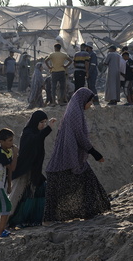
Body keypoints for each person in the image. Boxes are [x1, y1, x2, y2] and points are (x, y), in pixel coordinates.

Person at [43, 87, 110, 223]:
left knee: (87, 180)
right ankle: (87, 212)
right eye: (90, 101)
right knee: (84, 180)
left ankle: (89, 211)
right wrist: (94, 153)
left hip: (73, 155)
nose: (90, 104)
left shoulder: (76, 111)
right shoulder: (75, 113)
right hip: (69, 156)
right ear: (83, 100)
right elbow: (79, 135)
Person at [7, 111, 55, 228]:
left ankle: (42, 219)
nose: (43, 125)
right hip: (24, 170)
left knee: (42, 192)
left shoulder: (35, 132)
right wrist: (48, 128)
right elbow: (35, 140)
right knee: (15, 197)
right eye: (41, 122)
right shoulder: (28, 133)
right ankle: (3, 223)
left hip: (34, 171)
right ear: (35, 122)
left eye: (45, 122)